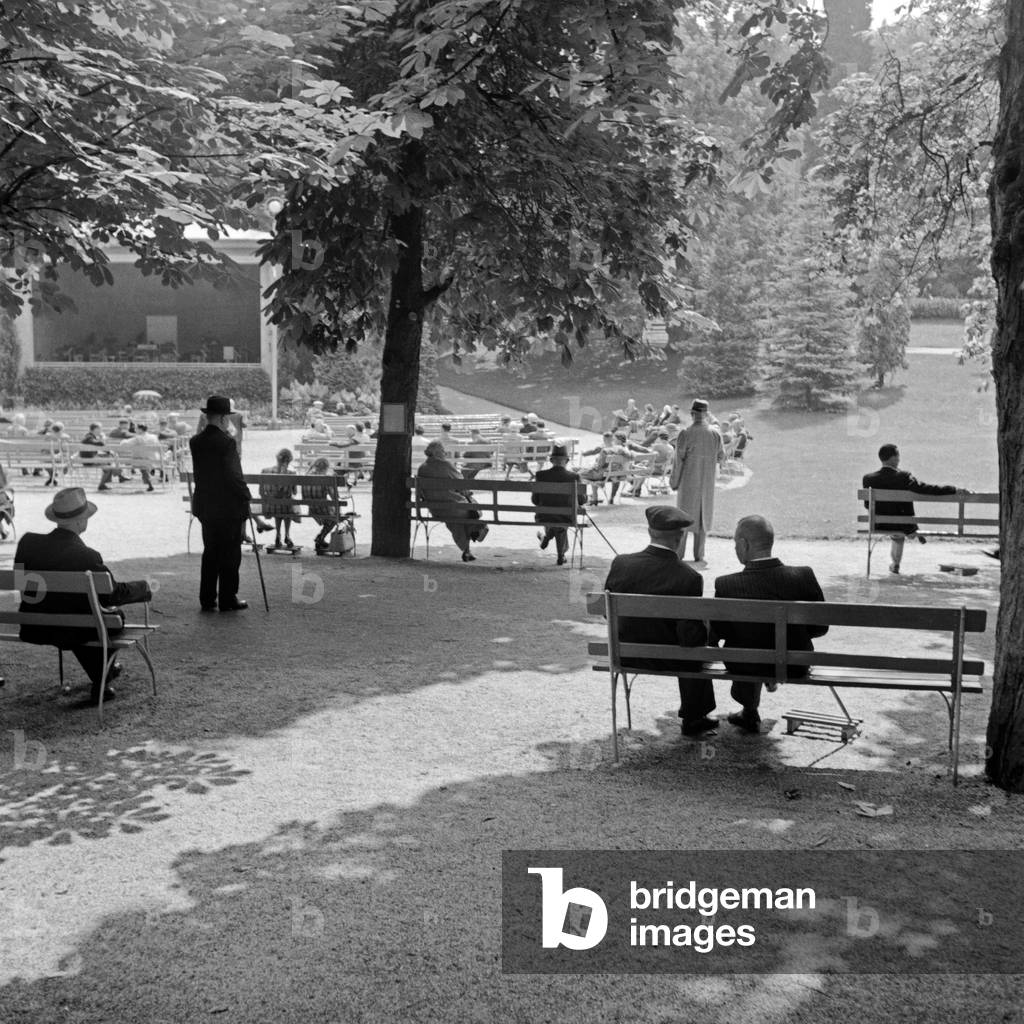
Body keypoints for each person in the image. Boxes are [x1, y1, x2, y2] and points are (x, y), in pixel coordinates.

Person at [15, 487, 151, 704]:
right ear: (80, 522)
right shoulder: (86, 556)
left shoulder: (27, 543)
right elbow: (112, 595)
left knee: (83, 616)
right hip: (74, 629)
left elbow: (22, 586)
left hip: (35, 626)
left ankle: (104, 673)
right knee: (109, 619)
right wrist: (144, 587)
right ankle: (101, 676)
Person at [711, 515, 828, 734]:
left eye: (735, 542)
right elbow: (820, 627)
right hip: (795, 663)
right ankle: (751, 707)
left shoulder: (727, 584)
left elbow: (721, 631)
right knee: (750, 643)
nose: (735, 548)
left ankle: (749, 710)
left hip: (745, 664)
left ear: (744, 544)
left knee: (743, 644)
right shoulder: (803, 575)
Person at [604, 505, 714, 737]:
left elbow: (607, 613)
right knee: (696, 648)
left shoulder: (621, 563)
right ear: (679, 538)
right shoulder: (689, 577)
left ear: (650, 532)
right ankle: (694, 717)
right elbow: (689, 637)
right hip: (671, 659)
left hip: (625, 654)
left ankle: (696, 715)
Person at [862, 443, 969, 574]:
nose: (899, 458)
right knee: (898, 528)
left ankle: (895, 563)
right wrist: (953, 490)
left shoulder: (868, 479)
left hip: (878, 524)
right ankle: (896, 562)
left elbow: (867, 505)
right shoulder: (904, 476)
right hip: (904, 525)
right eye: (898, 455)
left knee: (896, 529)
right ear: (893, 458)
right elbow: (925, 489)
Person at [189, 395, 253, 612]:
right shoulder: (227, 443)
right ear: (224, 418)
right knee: (230, 554)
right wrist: (246, 495)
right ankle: (227, 598)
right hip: (227, 507)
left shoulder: (195, 442)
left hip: (206, 506)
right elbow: (234, 476)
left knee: (211, 552)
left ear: (208, 416)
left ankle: (207, 598)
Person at [670, 399, 725, 563]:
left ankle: (679, 554)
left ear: (692, 414)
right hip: (707, 482)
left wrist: (674, 481)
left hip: (688, 481)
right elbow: (721, 456)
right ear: (706, 414)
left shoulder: (685, 433)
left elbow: (678, 461)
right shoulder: (715, 434)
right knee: (703, 516)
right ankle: (699, 555)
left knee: (684, 516)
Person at [416, 439, 488, 562]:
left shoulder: (422, 468)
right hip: (454, 508)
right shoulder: (446, 465)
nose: (445, 453)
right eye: (443, 451)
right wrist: (465, 493)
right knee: (469, 512)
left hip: (436, 510)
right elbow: (461, 485)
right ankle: (478, 529)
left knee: (456, 522)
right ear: (438, 452)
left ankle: (467, 550)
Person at [532, 443, 585, 566]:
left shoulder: (540, 475)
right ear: (567, 461)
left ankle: (546, 538)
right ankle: (561, 555)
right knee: (561, 521)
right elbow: (581, 500)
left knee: (553, 517)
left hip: (544, 516)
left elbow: (535, 500)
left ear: (551, 460)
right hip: (567, 517)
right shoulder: (574, 476)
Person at [260, 448, 299, 550]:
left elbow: (261, 492)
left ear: (277, 458)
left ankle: (278, 535)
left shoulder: (265, 471)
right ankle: (287, 535)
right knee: (287, 503)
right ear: (289, 460)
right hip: (286, 507)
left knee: (279, 504)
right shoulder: (291, 473)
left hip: (271, 506)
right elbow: (295, 492)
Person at [302, 457, 341, 553]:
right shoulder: (326, 478)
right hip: (323, 508)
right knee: (336, 517)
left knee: (331, 517)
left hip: (311, 509)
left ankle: (321, 539)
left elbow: (304, 497)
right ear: (326, 467)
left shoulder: (306, 476)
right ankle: (320, 538)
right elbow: (335, 497)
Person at [117, 422, 161, 491]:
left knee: (141, 464)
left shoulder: (138, 438)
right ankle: (149, 482)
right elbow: (159, 447)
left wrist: (123, 441)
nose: (135, 430)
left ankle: (148, 482)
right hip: (154, 460)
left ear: (140, 430)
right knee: (143, 465)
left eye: (136, 429)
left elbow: (124, 444)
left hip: (141, 460)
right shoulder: (154, 437)